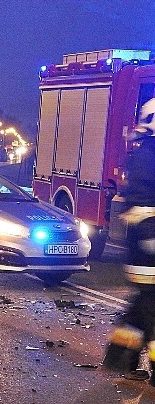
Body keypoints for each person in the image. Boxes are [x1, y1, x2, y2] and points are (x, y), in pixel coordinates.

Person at [104, 97, 155, 383]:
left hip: (145, 249)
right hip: (146, 250)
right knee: (152, 308)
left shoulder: (146, 153)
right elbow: (139, 201)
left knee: (144, 306)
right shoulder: (146, 157)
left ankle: (120, 355)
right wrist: (151, 236)